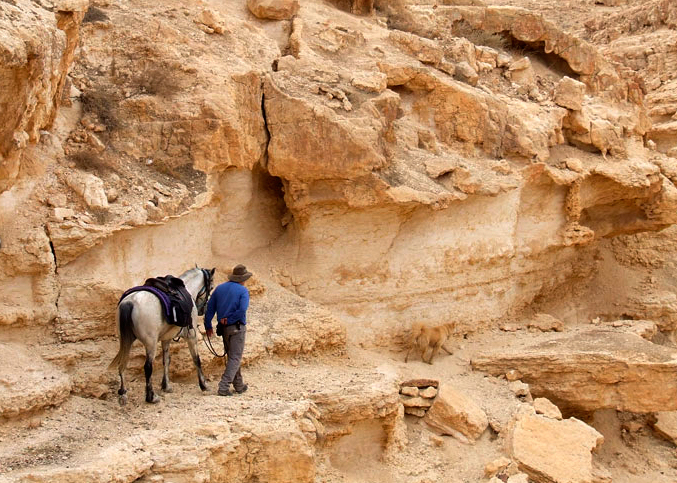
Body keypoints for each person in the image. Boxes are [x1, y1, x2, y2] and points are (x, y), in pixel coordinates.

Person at [204, 264, 252, 396]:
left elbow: (210, 308)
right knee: (235, 357)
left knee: (232, 357)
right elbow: (242, 310)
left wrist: (208, 325)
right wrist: (230, 319)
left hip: (224, 328)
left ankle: (239, 385)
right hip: (237, 326)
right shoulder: (243, 291)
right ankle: (224, 387)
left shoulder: (219, 289)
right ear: (243, 278)